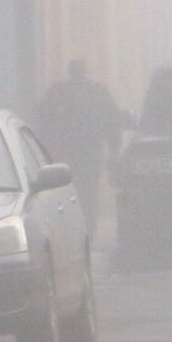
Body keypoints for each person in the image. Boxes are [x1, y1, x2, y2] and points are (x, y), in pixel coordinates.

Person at [38, 59, 124, 233]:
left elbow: (42, 117)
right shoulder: (98, 92)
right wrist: (114, 151)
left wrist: (46, 149)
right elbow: (113, 123)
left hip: (67, 153)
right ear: (86, 71)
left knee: (69, 191)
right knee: (89, 191)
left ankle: (74, 228)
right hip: (91, 152)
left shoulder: (59, 92)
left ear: (70, 72)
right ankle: (88, 229)